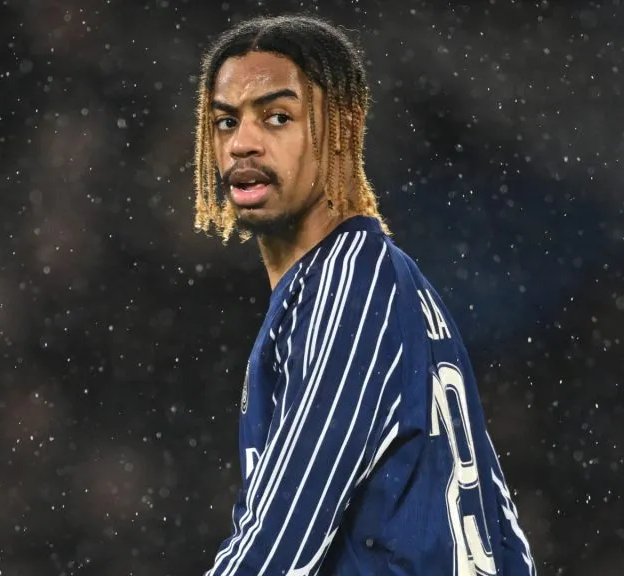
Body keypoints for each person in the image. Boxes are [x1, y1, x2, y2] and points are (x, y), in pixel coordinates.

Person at [193, 14, 536, 576]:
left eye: (277, 117)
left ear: (343, 127)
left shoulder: (350, 284)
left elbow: (281, 540)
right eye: (226, 121)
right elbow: (505, 534)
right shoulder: (381, 277)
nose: (242, 144)